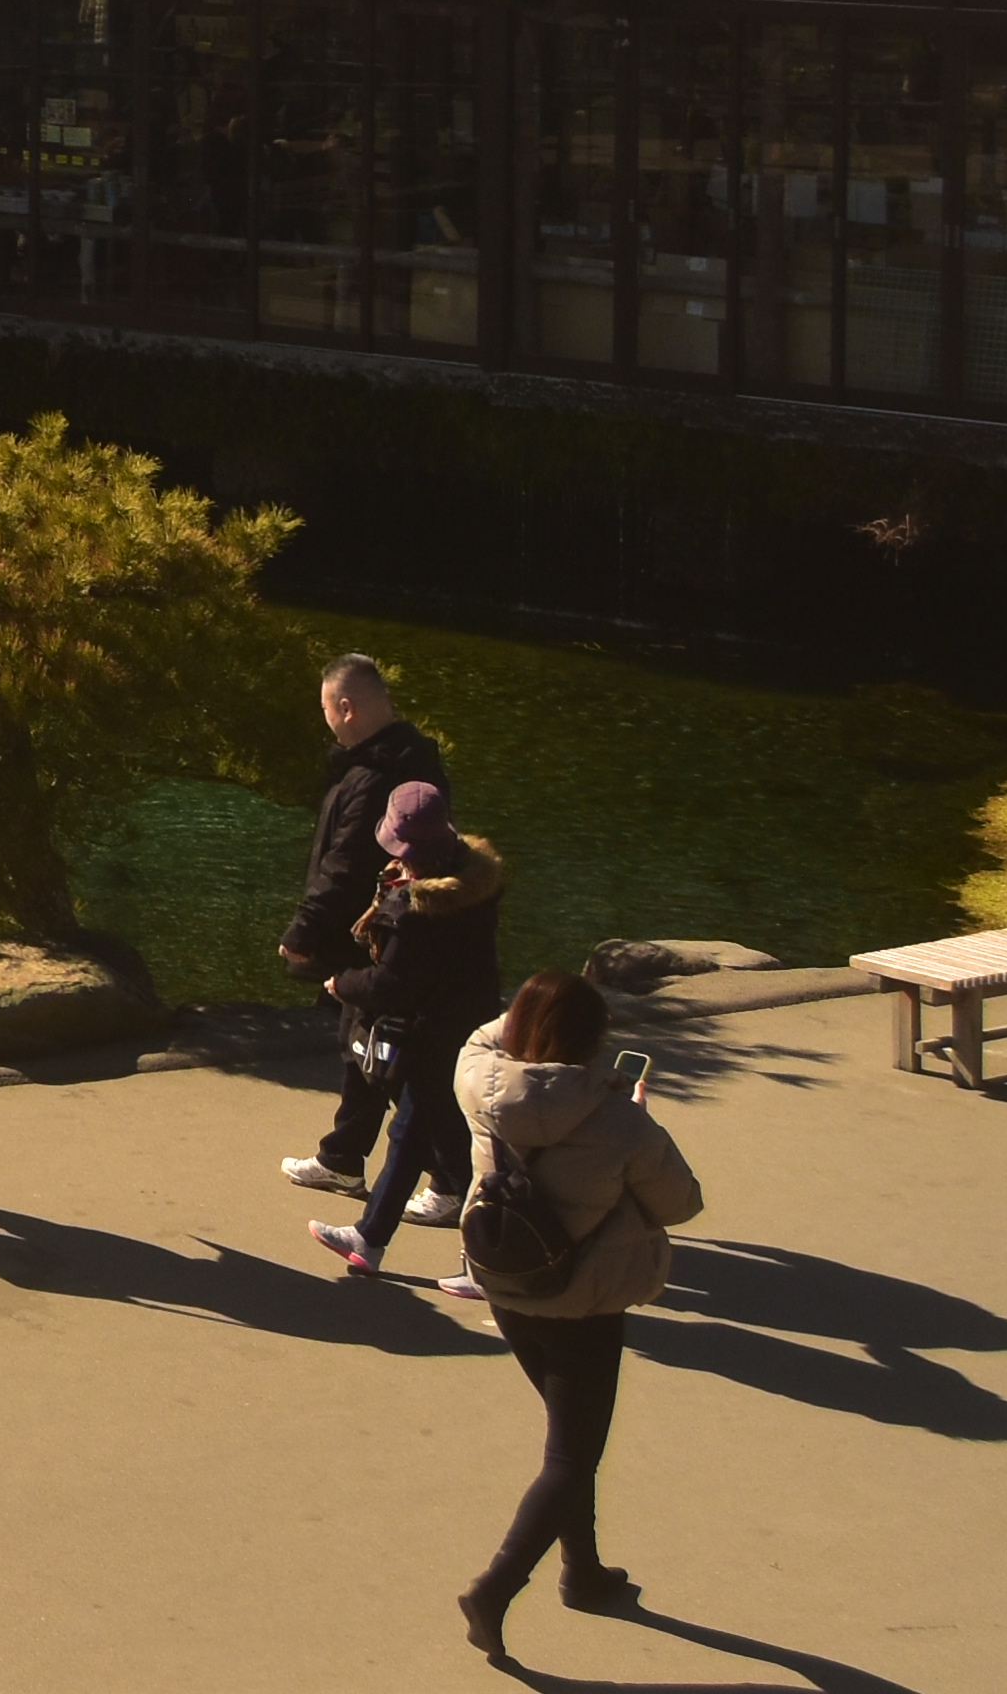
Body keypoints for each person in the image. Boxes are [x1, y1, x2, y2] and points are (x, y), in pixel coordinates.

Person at [447, 968, 707, 1655]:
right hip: (584, 1296)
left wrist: (530, 1012)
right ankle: (495, 1588)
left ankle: (583, 1570)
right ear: (594, 1042)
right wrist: (635, 1108)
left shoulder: (478, 1082)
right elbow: (681, 1203)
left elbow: (486, 1036)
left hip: (507, 1279)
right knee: (572, 1453)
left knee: (571, 1438)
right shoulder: (620, 1120)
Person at [278, 654, 454, 1200]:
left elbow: (349, 863)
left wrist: (305, 930)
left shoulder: (376, 776)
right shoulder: (411, 758)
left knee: (390, 1054)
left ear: (345, 707)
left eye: (327, 710)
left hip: (381, 930)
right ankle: (343, 1157)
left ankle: (450, 1177)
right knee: (362, 1041)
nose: (327, 721)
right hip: (387, 926)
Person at [318, 784, 506, 1274]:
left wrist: (344, 983)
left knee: (427, 1132)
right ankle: (377, 1236)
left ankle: (490, 1243)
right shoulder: (474, 879)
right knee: (435, 1129)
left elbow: (392, 983)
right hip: (471, 1017)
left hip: (432, 1031)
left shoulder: (418, 911)